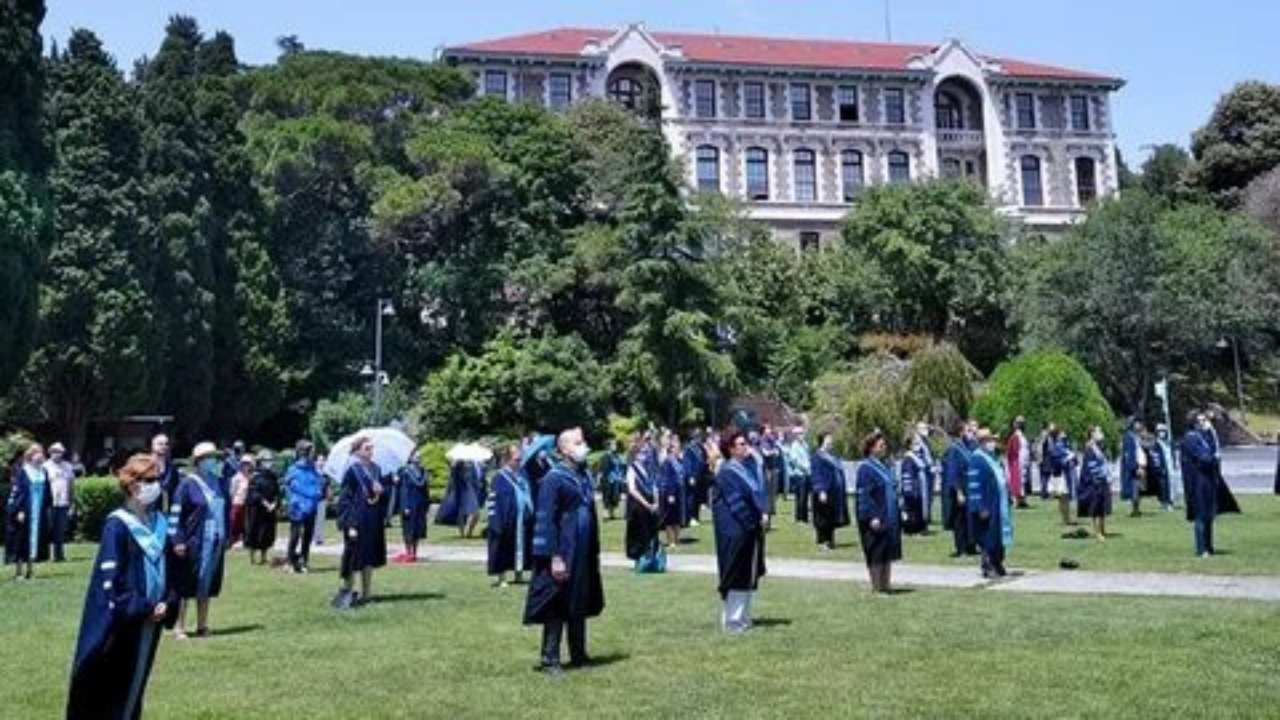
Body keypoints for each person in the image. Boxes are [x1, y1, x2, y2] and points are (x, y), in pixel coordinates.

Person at [66, 454, 176, 720]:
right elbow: (112, 583)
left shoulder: (159, 523)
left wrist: (168, 602)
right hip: (121, 623)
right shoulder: (117, 526)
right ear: (133, 485)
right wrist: (145, 607)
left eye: (158, 479)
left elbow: (173, 571)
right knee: (113, 687)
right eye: (150, 480)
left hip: (151, 620)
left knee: (136, 684)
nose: (156, 485)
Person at [524, 428, 604, 675]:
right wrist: (554, 557)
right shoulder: (553, 478)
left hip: (582, 550)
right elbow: (546, 519)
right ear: (565, 449)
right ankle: (550, 659)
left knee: (579, 600)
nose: (584, 446)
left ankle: (579, 654)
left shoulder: (582, 475)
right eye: (578, 442)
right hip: (563, 550)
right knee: (556, 603)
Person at [168, 442, 230, 639]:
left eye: (214, 457)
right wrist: (177, 540)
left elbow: (225, 511)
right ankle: (179, 627)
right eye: (208, 457)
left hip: (215, 540)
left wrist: (226, 535)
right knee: (186, 582)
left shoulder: (218, 483)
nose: (213, 461)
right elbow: (175, 515)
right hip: (193, 541)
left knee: (206, 582)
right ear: (198, 461)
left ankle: (202, 625)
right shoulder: (187, 485)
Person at [713, 428, 767, 633]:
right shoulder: (726, 472)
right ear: (731, 449)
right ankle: (732, 621)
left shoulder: (746, 469)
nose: (746, 447)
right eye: (741, 444)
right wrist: (754, 521)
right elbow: (736, 503)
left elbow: (757, 493)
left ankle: (744, 617)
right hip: (734, 530)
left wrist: (761, 515)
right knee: (736, 574)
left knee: (747, 574)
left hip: (748, 529)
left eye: (746, 443)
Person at [331, 436, 387, 609]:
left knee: (369, 556)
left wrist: (382, 491)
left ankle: (367, 593)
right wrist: (350, 525)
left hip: (372, 518)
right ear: (357, 452)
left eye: (372, 448)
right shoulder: (352, 471)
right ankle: (347, 591)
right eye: (367, 448)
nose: (371, 451)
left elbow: (381, 497)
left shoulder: (377, 469)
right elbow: (345, 500)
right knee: (352, 556)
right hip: (356, 519)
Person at [855, 432, 901, 593]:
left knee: (886, 551)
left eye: (884, 445)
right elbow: (864, 495)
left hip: (887, 515)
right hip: (874, 517)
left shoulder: (884, 466)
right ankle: (877, 587)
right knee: (876, 551)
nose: (884, 448)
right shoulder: (865, 468)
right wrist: (871, 516)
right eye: (880, 445)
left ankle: (886, 585)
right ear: (871, 448)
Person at [968, 428, 1013, 578]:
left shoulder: (992, 458)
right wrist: (980, 507)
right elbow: (974, 485)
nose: (993, 442)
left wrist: (1008, 496)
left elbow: (1002, 480)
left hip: (998, 504)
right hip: (987, 505)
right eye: (990, 440)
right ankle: (988, 566)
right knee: (988, 536)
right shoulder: (977, 459)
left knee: (998, 536)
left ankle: (998, 562)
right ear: (982, 442)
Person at [487, 446, 533, 585]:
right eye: (516, 460)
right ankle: (502, 578)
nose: (519, 462)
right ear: (507, 460)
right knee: (503, 547)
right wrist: (496, 522)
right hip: (504, 519)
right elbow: (494, 501)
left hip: (521, 519)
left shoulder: (522, 476)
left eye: (520, 459)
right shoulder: (499, 477)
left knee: (521, 547)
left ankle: (519, 574)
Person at [6, 444, 51, 581]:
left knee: (34, 541)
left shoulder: (43, 471)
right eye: (38, 453)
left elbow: (48, 492)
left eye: (41, 453)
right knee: (21, 540)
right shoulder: (23, 472)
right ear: (31, 456)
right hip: (26, 510)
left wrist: (47, 507)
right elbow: (17, 492)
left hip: (38, 511)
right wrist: (18, 510)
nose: (41, 456)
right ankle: (19, 572)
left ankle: (30, 571)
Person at [284, 441, 323, 573]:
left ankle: (304, 561)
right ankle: (290, 562)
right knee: (295, 535)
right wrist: (293, 501)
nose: (313, 454)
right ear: (302, 452)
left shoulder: (313, 469)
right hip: (297, 508)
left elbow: (317, 485)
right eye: (310, 451)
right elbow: (287, 486)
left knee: (308, 536)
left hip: (311, 507)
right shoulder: (293, 469)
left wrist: (318, 493)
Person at [624, 439, 662, 571]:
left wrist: (656, 502)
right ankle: (639, 560)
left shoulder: (647, 469)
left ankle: (651, 559)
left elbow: (654, 486)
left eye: (645, 452)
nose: (644, 455)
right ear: (636, 454)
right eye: (642, 452)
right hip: (637, 507)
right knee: (639, 534)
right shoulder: (631, 469)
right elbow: (632, 490)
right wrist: (646, 504)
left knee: (651, 533)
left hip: (650, 507)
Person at [941, 421, 977, 558]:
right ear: (961, 432)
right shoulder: (954, 449)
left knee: (968, 519)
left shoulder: (966, 447)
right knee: (959, 520)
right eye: (968, 430)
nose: (971, 433)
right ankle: (961, 548)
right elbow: (953, 472)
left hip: (968, 488)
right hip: (959, 490)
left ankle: (970, 546)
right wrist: (959, 492)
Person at [809, 432, 849, 551]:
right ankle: (822, 542)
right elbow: (817, 474)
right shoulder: (817, 456)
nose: (831, 441)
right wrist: (821, 490)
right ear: (823, 441)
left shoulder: (832, 457)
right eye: (828, 439)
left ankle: (830, 540)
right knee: (822, 518)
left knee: (831, 518)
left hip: (833, 493)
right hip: (823, 492)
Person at [1077, 427, 1113, 541]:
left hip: (1102, 480)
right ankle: (1097, 532)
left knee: (1102, 507)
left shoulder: (1099, 447)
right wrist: (1097, 478)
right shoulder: (1090, 448)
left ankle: (1102, 530)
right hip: (1094, 482)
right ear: (1092, 434)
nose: (1101, 433)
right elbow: (1091, 467)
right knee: (1095, 508)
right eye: (1098, 431)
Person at [244, 453, 280, 566]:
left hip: (269, 511)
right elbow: (253, 492)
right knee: (254, 532)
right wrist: (264, 503)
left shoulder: (273, 476)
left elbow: (277, 492)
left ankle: (263, 557)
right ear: (261, 462)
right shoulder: (255, 477)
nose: (269, 463)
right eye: (267, 460)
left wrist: (274, 503)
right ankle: (252, 557)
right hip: (257, 511)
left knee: (267, 533)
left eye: (270, 460)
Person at [436, 457, 485, 538]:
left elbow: (480, 477)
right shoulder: (459, 464)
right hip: (464, 491)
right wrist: (454, 467)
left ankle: (469, 532)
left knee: (475, 513)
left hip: (475, 490)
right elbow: (453, 478)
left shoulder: (479, 463)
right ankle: (463, 533)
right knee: (464, 513)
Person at [45, 442, 76, 563]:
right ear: (50, 452)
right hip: (49, 503)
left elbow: (71, 486)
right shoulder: (45, 466)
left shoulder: (68, 466)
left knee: (60, 530)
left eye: (60, 452)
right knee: (48, 529)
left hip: (63, 502)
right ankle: (45, 555)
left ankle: (59, 555)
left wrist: (72, 503)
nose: (57, 454)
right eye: (55, 451)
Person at [398, 455, 430, 564]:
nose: (418, 458)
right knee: (408, 530)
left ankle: (414, 553)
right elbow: (403, 491)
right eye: (415, 456)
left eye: (419, 456)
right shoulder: (405, 472)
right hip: (409, 504)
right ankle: (408, 552)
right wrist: (405, 506)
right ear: (410, 458)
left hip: (420, 504)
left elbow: (426, 490)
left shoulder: (423, 471)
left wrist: (427, 504)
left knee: (417, 530)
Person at [899, 432, 931, 535]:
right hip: (913, 491)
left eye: (918, 443)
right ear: (909, 445)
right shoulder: (908, 459)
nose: (918, 445)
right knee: (912, 510)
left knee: (920, 509)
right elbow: (907, 477)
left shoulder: (919, 458)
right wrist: (911, 492)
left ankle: (921, 527)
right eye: (915, 443)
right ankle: (912, 529)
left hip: (921, 489)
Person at [659, 436, 687, 548]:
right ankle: (671, 541)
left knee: (678, 518)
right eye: (676, 447)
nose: (678, 449)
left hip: (679, 492)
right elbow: (666, 479)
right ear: (671, 449)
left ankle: (677, 539)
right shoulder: (667, 461)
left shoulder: (679, 461)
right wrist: (670, 494)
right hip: (670, 494)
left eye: (678, 447)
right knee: (670, 518)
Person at [1046, 427, 1077, 526]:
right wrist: (1070, 457)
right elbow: (1061, 460)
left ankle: (1066, 519)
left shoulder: (1062, 445)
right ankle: (1066, 519)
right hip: (1060, 476)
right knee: (1064, 499)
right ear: (1058, 435)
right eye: (1062, 433)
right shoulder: (1057, 446)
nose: (1064, 434)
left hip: (1060, 475)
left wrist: (1071, 457)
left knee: (1063, 499)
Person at [784, 428, 813, 524]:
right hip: (799, 474)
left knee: (805, 496)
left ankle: (805, 517)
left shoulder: (805, 445)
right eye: (800, 434)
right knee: (800, 497)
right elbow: (794, 460)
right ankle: (799, 518)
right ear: (796, 435)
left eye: (802, 433)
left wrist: (809, 467)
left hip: (807, 473)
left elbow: (808, 457)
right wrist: (804, 467)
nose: (802, 435)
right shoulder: (794, 446)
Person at [682, 431, 709, 527]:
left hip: (700, 476)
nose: (699, 437)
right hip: (693, 476)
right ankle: (691, 517)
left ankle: (696, 517)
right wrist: (690, 476)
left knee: (698, 498)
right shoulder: (689, 448)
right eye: (697, 436)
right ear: (693, 437)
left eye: (700, 436)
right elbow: (687, 463)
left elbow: (704, 459)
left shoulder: (701, 447)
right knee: (692, 498)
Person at [1152, 424, 1180, 512]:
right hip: (1163, 468)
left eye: (1163, 431)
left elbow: (1173, 454)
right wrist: (1159, 468)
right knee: (1163, 487)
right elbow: (1156, 457)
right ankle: (1165, 503)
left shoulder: (1169, 443)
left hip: (1171, 468)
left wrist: (1175, 464)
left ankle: (1170, 502)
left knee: (1172, 486)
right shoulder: (1156, 444)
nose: (1162, 433)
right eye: (1160, 431)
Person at [1120, 420, 1145, 517]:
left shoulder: (1136, 437)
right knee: (1134, 488)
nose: (1139, 425)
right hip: (1134, 467)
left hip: (1139, 465)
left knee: (1138, 489)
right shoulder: (1128, 437)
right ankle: (1135, 510)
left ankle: (1137, 509)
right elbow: (1128, 454)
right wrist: (1135, 467)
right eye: (1137, 424)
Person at [597, 442, 626, 521]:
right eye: (613, 445)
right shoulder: (604, 457)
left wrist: (622, 478)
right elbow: (600, 470)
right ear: (609, 447)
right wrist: (598, 481)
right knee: (607, 497)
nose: (615, 446)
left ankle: (612, 514)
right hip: (607, 480)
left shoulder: (616, 456)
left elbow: (620, 467)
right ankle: (605, 515)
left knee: (615, 497)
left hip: (616, 480)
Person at [228, 456, 252, 548]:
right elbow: (232, 492)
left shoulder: (250, 477)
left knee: (245, 523)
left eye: (248, 464)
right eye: (244, 464)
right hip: (237, 503)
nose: (246, 466)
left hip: (247, 504)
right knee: (235, 523)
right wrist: (233, 502)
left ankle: (245, 541)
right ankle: (232, 541)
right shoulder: (236, 477)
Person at [1006, 418, 1030, 509]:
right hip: (1017, 462)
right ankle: (1017, 501)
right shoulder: (1015, 436)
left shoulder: (1022, 436)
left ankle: (1022, 501)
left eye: (1022, 423)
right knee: (1017, 482)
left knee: (1022, 482)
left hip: (1023, 462)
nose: (1021, 425)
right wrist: (1014, 463)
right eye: (1019, 423)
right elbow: (1011, 451)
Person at [152, 434, 180, 510]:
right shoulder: (146, 464)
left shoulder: (172, 467)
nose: (164, 446)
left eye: (166, 444)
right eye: (160, 444)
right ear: (153, 446)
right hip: (150, 507)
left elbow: (177, 487)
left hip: (168, 507)